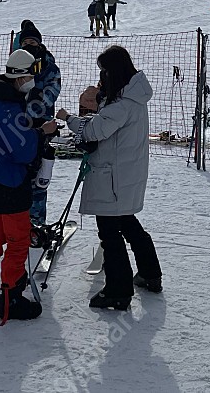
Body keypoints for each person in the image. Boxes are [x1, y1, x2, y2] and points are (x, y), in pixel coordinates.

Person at [57, 45, 162, 309]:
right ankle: (150, 274)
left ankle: (118, 289)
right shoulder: (129, 97)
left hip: (114, 178)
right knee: (127, 223)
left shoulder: (123, 104)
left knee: (109, 232)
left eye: (104, 71)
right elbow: (105, 121)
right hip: (123, 174)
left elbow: (95, 130)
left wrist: (68, 118)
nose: (101, 77)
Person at [0, 48, 49, 322]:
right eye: (30, 76)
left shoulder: (1, 101)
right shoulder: (9, 107)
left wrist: (31, 129)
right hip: (9, 185)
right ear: (19, 78)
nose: (32, 82)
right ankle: (11, 300)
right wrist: (40, 134)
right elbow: (22, 152)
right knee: (17, 243)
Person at [14, 20, 62, 225]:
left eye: (32, 41)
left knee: (39, 179)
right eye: (25, 42)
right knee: (19, 177)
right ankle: (18, 222)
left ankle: (36, 221)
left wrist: (32, 109)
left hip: (41, 126)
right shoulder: (18, 64)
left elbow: (51, 93)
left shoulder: (49, 67)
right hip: (19, 130)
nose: (29, 46)